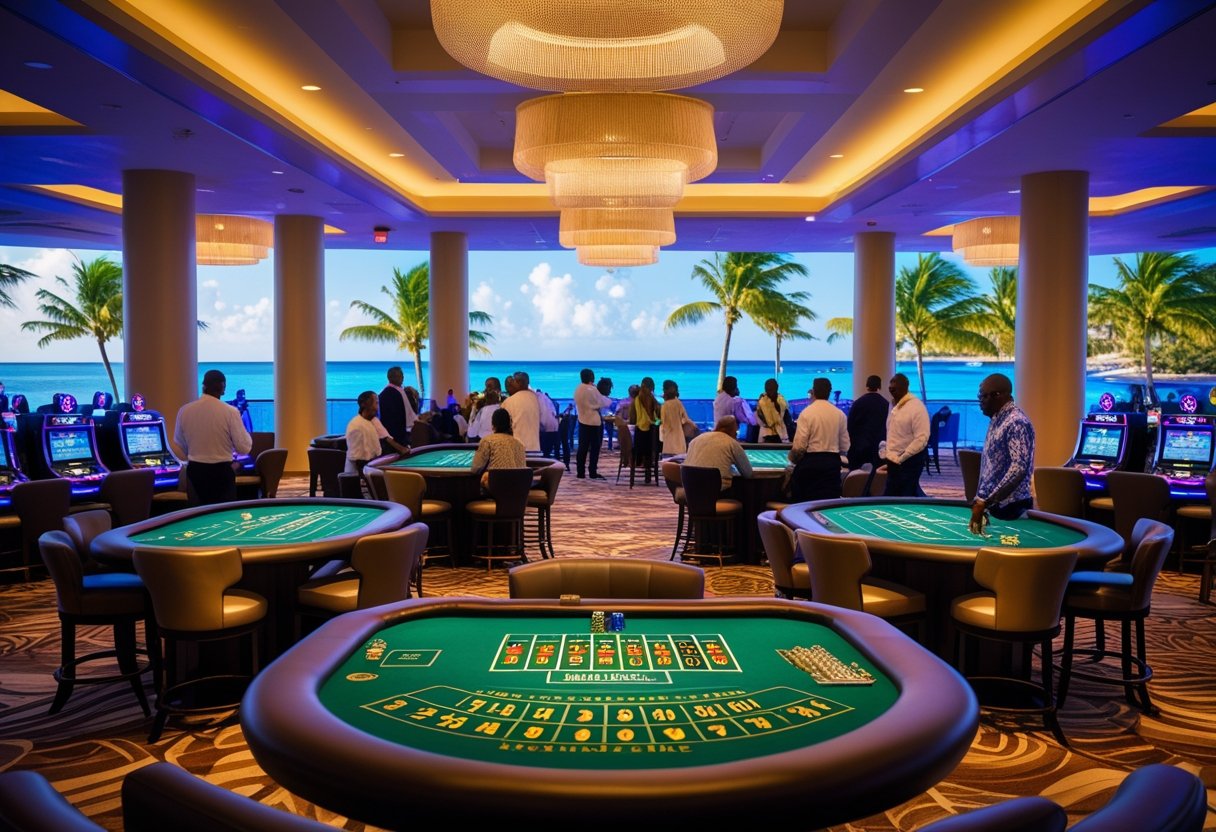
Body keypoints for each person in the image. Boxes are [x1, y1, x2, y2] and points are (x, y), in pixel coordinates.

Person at [174, 369, 252, 506]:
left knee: (197, 515)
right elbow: (244, 447)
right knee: (223, 518)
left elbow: (179, 441)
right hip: (222, 473)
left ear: (203, 386)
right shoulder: (230, 412)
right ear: (223, 388)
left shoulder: (184, 410)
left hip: (195, 471)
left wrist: (195, 453)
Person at [970, 373, 1036, 533]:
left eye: (982, 396)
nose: (980, 401)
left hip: (1012, 508)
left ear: (996, 395)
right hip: (995, 505)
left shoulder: (1016, 422)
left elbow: (1018, 467)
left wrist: (987, 500)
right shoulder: (997, 419)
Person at [787, 377, 849, 501]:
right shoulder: (840, 414)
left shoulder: (806, 413)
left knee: (805, 506)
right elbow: (845, 446)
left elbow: (799, 446)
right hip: (832, 466)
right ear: (829, 392)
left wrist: (792, 461)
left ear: (813, 391)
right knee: (827, 505)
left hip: (810, 465)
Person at [878, 373, 930, 497]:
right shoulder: (892, 405)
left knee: (906, 497)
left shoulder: (916, 407)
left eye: (895, 385)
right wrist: (887, 450)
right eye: (891, 385)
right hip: (893, 461)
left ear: (906, 387)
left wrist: (903, 457)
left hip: (910, 461)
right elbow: (893, 432)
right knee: (892, 497)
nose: (892, 387)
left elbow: (922, 438)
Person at [683, 416, 754, 491]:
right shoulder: (732, 443)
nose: (736, 434)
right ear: (733, 430)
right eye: (736, 431)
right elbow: (748, 473)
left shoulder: (696, 440)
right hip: (716, 490)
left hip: (690, 488)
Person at [471, 407, 527, 489]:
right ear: (509, 424)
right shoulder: (519, 444)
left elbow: (475, 468)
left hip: (497, 489)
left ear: (493, 424)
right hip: (519, 491)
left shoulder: (487, 441)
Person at [574, 368, 612, 479]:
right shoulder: (592, 390)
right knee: (595, 448)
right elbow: (603, 402)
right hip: (594, 422)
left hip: (582, 420)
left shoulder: (578, 389)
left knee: (582, 448)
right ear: (591, 377)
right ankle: (592, 472)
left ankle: (580, 472)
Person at [847, 374, 889, 470]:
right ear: (880, 386)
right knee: (877, 478)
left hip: (859, 448)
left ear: (867, 386)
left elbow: (850, 426)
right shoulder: (885, 404)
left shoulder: (858, 403)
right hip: (878, 448)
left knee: (858, 478)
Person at [345, 390, 385, 476]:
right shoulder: (356, 425)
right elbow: (357, 459)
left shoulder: (371, 422)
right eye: (376, 403)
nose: (377, 408)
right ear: (364, 404)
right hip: (358, 476)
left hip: (370, 469)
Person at [501, 371, 541, 452]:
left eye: (513, 382)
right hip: (535, 447)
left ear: (517, 383)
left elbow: (503, 427)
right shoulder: (536, 398)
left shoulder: (508, 402)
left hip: (517, 448)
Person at [632, 377, 660, 483]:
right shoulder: (651, 398)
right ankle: (649, 470)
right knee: (651, 449)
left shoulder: (638, 399)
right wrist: (656, 422)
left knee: (640, 448)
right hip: (651, 431)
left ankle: (638, 461)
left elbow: (636, 417)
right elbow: (655, 415)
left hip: (640, 431)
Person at [378, 366, 416, 445]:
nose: (402, 378)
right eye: (400, 376)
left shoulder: (383, 393)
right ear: (391, 378)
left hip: (389, 430)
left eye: (402, 376)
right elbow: (406, 414)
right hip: (397, 432)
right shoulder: (398, 392)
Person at [659, 379, 692, 456]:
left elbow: (663, 423)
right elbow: (685, 420)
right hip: (679, 440)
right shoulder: (678, 403)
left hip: (668, 441)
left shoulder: (665, 405)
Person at [756, 378, 790, 443]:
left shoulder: (781, 400)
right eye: (768, 390)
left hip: (780, 434)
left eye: (771, 390)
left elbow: (784, 416)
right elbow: (767, 421)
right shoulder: (762, 402)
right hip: (768, 434)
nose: (769, 392)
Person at [535, 387, 560, 457]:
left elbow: (542, 416)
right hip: (554, 428)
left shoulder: (536, 398)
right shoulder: (546, 399)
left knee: (545, 454)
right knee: (548, 453)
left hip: (546, 429)